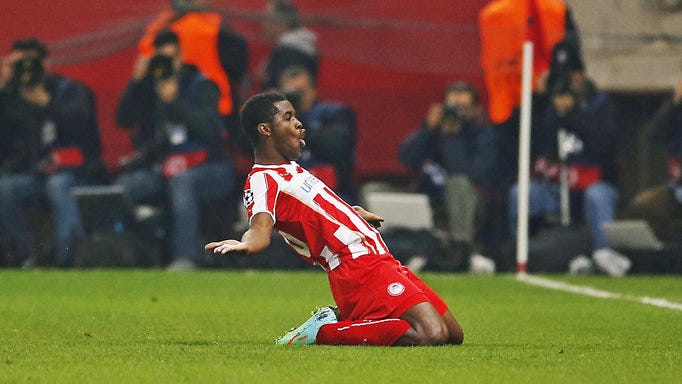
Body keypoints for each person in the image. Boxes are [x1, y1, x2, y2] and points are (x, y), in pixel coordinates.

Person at [205, 91, 464, 346]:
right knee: (432, 334)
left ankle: (351, 320)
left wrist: (353, 215)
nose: (298, 123)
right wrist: (246, 243)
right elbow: (259, 230)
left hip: (379, 257)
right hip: (356, 266)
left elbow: (314, 212)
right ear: (265, 129)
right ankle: (324, 331)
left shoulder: (290, 168)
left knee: (453, 334)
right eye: (287, 117)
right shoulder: (261, 179)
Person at [116, 30, 234, 270]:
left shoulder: (203, 85)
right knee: (124, 188)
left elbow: (209, 130)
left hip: (210, 168)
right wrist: (137, 80)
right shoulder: (152, 89)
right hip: (167, 169)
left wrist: (174, 104)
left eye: (168, 60)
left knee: (182, 182)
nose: (164, 67)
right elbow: (123, 119)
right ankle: (134, 252)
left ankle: (185, 257)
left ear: (179, 58)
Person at [507, 74, 630, 276]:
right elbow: (518, 133)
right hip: (555, 189)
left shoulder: (598, 115)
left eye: (567, 95)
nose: (561, 101)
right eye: (557, 95)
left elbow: (605, 148)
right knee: (521, 193)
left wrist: (572, 118)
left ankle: (604, 253)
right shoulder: (546, 119)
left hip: (590, 188)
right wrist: (540, 101)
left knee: (598, 195)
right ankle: (522, 251)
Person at [0, 38, 105, 267]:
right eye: (19, 65)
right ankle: (27, 256)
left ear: (46, 63)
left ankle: (67, 258)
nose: (26, 71)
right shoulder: (12, 97)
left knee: (58, 184)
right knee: (5, 188)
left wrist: (47, 104)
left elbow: (82, 125)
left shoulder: (71, 90)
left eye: (31, 63)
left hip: (78, 173)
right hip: (37, 175)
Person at [398, 81, 498, 273]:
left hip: (468, 203)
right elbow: (405, 157)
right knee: (373, 189)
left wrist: (454, 136)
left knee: (458, 184)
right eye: (451, 107)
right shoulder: (434, 132)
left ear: (475, 110)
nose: (454, 114)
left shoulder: (483, 136)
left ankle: (463, 251)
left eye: (462, 109)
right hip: (428, 197)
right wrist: (427, 128)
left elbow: (467, 173)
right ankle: (410, 252)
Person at [137, 0, 248, 132]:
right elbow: (238, 68)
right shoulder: (216, 28)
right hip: (212, 112)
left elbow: (143, 69)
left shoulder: (157, 29)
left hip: (158, 112)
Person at [277, 65, 357, 203]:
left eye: (299, 93)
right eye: (288, 95)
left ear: (313, 92)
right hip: (287, 193)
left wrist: (299, 123)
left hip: (329, 192)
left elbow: (338, 145)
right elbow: (248, 144)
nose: (293, 100)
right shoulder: (275, 120)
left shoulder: (334, 113)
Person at [622, 80, 682, 243]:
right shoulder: (675, 110)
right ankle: (652, 260)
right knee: (642, 205)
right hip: (676, 189)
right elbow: (651, 135)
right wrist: (674, 103)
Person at [260, 0, 319, 91]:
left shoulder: (293, 52)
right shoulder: (290, 49)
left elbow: (286, 91)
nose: (263, 22)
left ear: (281, 21)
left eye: (267, 17)